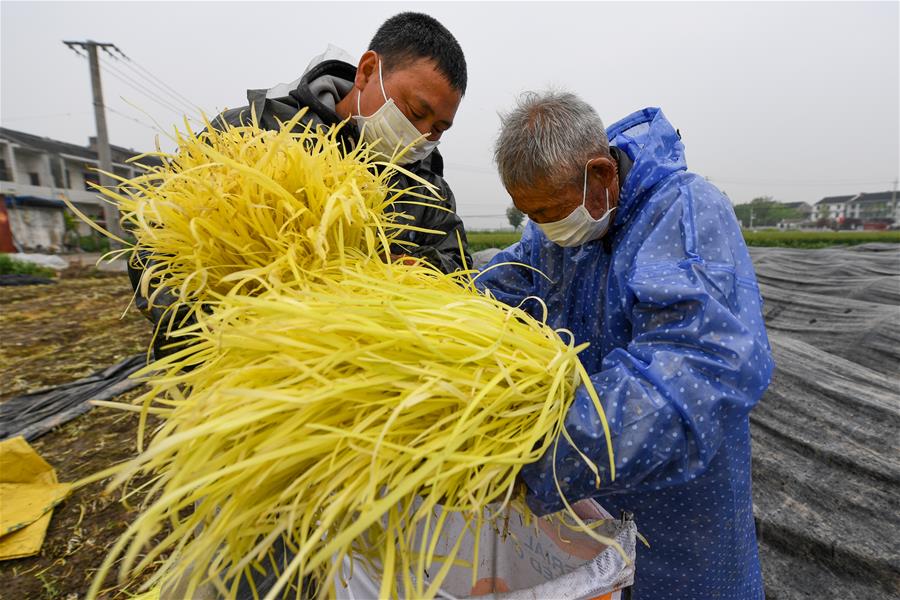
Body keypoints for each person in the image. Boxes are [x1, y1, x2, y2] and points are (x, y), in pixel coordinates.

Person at [477, 91, 774, 599]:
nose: (544, 227)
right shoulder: (555, 233)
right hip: (590, 516)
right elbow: (501, 283)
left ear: (602, 174)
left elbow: (695, 373)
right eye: (532, 214)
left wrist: (530, 454)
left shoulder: (684, 212)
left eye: (550, 210)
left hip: (683, 529)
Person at [130, 12, 472, 359]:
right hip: (238, 382)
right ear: (368, 71)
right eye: (415, 111)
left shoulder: (428, 190)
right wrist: (222, 340)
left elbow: (458, 271)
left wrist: (407, 271)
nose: (421, 135)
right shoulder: (253, 133)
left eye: (439, 128)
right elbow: (156, 246)